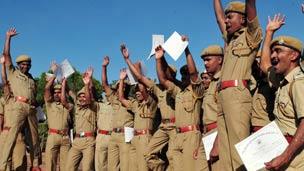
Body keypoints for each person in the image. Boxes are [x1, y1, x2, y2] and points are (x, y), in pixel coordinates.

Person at [213, 0, 263, 169]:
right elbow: (219, 18)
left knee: (239, 150)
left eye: (230, 17)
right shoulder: (230, 40)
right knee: (226, 153)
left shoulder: (250, 36)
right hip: (222, 96)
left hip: (237, 95)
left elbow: (252, 17)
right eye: (226, 18)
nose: (226, 21)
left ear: (242, 19)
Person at [155, 35, 207, 171]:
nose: (184, 77)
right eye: (182, 75)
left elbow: (194, 73)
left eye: (187, 75)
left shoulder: (197, 91)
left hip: (191, 136)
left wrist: (186, 49)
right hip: (177, 137)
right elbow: (163, 79)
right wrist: (160, 58)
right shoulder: (178, 92)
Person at [259, 14, 304, 170]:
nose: (273, 56)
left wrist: (285, 157)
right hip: (282, 155)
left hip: (295, 162)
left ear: (294, 55)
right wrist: (269, 33)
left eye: (278, 51)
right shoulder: (282, 82)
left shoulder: (299, 83)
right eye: (272, 51)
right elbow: (264, 64)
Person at [0, 28, 41, 171]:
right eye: (23, 64)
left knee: (35, 138)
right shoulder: (12, 72)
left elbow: (35, 97)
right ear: (18, 65)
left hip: (30, 109)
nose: (25, 66)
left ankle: (35, 165)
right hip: (18, 106)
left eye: (28, 64)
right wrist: (8, 38)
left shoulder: (32, 80)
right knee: (12, 136)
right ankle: (3, 165)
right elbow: (6, 54)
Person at [118, 66, 158, 171]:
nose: (137, 92)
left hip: (145, 138)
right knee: (132, 167)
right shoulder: (136, 105)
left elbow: (143, 89)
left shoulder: (152, 103)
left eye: (139, 90)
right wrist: (122, 80)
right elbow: (121, 98)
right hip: (134, 138)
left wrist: (138, 77)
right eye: (135, 91)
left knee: (143, 168)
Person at [101, 56, 135, 171]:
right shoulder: (113, 99)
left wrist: (121, 80)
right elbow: (105, 84)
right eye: (120, 86)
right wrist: (104, 67)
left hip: (126, 135)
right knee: (112, 167)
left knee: (126, 166)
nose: (122, 88)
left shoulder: (131, 101)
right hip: (113, 135)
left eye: (125, 86)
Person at [64, 67, 98, 171]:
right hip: (77, 141)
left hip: (89, 141)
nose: (82, 98)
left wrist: (87, 83)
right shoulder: (77, 106)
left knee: (87, 168)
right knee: (69, 167)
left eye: (84, 96)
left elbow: (89, 98)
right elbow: (69, 92)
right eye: (80, 97)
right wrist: (64, 81)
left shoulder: (93, 106)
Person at [44, 62, 73, 171]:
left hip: (65, 138)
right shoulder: (49, 104)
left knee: (66, 166)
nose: (57, 94)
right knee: (50, 165)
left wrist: (64, 84)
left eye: (59, 92)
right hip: (53, 136)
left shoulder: (68, 106)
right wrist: (54, 73)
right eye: (55, 92)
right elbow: (47, 89)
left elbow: (66, 100)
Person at [0, 56, 27, 171]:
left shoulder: (22, 100)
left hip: (19, 135)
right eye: (9, 86)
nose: (10, 87)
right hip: (6, 133)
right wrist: (2, 65)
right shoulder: (4, 100)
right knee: (5, 164)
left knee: (20, 163)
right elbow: (5, 81)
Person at [200, 45, 223, 171]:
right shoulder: (212, 83)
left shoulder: (222, 81)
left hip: (217, 133)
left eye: (208, 59)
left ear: (219, 60)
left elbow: (227, 115)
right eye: (204, 60)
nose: (205, 63)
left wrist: (218, 142)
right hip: (207, 134)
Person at [250, 51, 276, 132]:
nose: (258, 65)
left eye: (260, 61)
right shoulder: (256, 83)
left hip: (267, 128)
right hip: (253, 128)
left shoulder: (273, 81)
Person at [95, 96, 113, 171]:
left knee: (113, 164)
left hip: (114, 136)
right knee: (100, 164)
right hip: (101, 136)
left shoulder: (122, 105)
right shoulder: (101, 105)